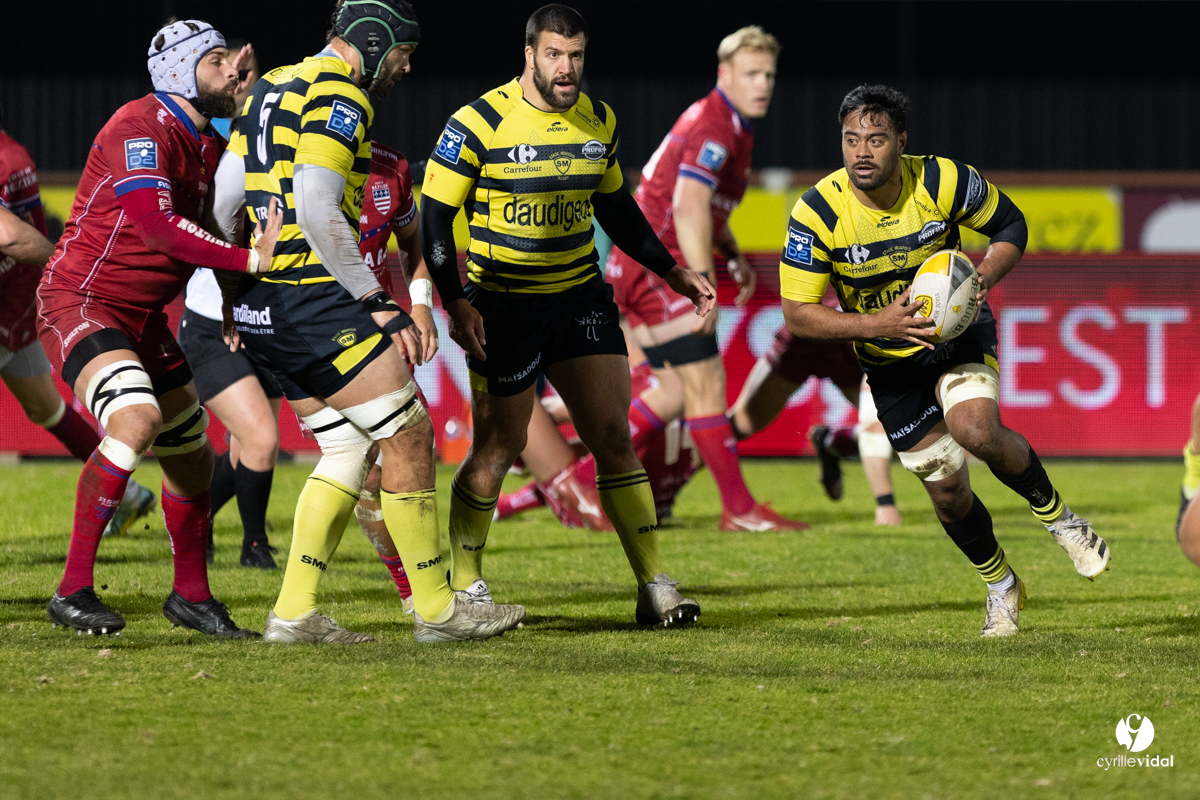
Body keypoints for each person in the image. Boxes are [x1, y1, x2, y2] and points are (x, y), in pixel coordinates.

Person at [215, 0, 525, 644]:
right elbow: (319, 203)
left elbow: (222, 199)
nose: (406, 68)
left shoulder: (270, 86)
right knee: (409, 433)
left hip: (262, 298)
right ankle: (439, 610)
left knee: (347, 447)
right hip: (312, 297)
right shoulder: (342, 98)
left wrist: (232, 286)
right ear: (376, 43)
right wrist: (376, 300)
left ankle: (294, 613)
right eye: (404, 55)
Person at [420, 4, 714, 625]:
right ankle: (468, 585)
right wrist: (456, 300)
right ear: (529, 55)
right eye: (554, 54)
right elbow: (435, 220)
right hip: (504, 304)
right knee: (499, 446)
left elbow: (618, 209)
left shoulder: (598, 120)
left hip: (579, 298)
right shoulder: (476, 122)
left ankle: (654, 583)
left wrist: (672, 271)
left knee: (612, 437)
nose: (566, 68)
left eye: (576, 56)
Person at [780, 84, 1110, 638]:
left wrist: (979, 280)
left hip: (957, 337)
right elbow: (797, 313)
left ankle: (1062, 521)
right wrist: (874, 325)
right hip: (888, 362)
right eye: (851, 139)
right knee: (948, 491)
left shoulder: (941, 179)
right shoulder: (816, 212)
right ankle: (1003, 587)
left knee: (976, 429)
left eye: (877, 139)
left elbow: (1011, 225)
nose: (862, 151)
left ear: (901, 142)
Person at [36, 19, 277, 637]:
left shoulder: (210, 144)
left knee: (192, 461)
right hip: (81, 300)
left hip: (142, 320)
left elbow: (218, 227)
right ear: (177, 71)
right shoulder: (136, 125)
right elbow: (156, 226)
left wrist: (229, 296)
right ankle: (72, 592)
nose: (231, 70)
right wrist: (249, 262)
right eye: (217, 59)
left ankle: (191, 598)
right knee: (137, 419)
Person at [605, 26, 805, 532]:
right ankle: (738, 509)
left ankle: (582, 482)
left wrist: (731, 250)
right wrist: (702, 282)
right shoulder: (716, 126)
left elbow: (708, 208)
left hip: (640, 264)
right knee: (706, 381)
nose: (763, 84)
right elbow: (688, 205)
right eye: (752, 74)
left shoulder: (732, 125)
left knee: (673, 392)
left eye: (769, 75)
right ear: (725, 74)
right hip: (657, 266)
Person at [0, 110, 157, 537]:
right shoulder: (13, 152)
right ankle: (127, 496)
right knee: (44, 408)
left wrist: (59, 260)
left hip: (10, 300)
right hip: (19, 298)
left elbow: (9, 234)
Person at [352, 140, 440, 614]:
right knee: (364, 469)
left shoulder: (392, 170)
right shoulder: (296, 161)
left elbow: (412, 246)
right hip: (320, 333)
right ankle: (417, 591)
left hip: (382, 333)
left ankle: (427, 589)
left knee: (411, 448)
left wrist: (421, 303)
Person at [728, 324, 902, 525]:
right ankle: (683, 471)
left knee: (899, 427)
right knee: (741, 425)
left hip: (857, 338)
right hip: (806, 335)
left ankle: (833, 441)